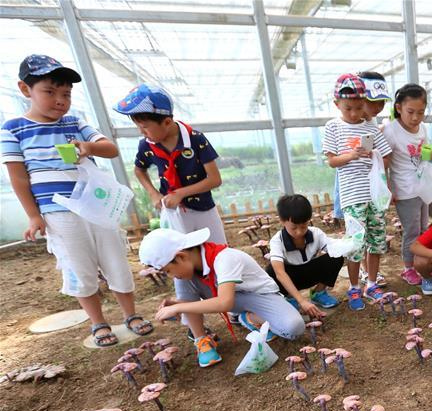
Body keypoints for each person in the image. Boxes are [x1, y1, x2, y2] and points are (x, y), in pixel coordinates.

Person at [1, 55, 153, 347]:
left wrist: (87, 146)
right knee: (78, 265)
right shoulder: (13, 129)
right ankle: (98, 322)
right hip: (58, 212)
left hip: (95, 205)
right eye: (50, 92)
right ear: (25, 89)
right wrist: (34, 215)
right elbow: (19, 178)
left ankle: (130, 314)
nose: (60, 100)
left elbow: (110, 149)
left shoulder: (74, 122)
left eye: (66, 94)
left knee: (115, 259)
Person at [140, 227, 305, 368]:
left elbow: (225, 302)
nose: (171, 276)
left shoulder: (224, 258)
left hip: (258, 296)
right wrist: (179, 303)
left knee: (294, 327)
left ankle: (249, 318)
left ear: (181, 256)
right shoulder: (189, 268)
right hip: (230, 297)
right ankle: (201, 340)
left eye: (168, 271)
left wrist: (179, 307)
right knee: (183, 279)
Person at [113, 84, 226, 245]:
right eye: (138, 127)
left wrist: (180, 193)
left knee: (216, 249)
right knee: (183, 253)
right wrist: (153, 193)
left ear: (166, 122)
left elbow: (215, 179)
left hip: (204, 208)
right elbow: (139, 170)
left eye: (145, 127)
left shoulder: (195, 139)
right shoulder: (147, 145)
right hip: (173, 211)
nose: (141, 132)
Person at [323, 73, 392, 311]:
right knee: (355, 244)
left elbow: (386, 155)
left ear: (365, 102)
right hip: (353, 197)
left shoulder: (370, 126)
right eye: (348, 108)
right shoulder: (333, 127)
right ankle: (354, 288)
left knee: (376, 241)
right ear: (337, 105)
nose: (354, 113)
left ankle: (371, 283)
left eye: (358, 107)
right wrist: (352, 155)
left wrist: (373, 155)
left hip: (373, 195)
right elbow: (332, 161)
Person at [383, 83, 431, 287]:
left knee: (423, 228)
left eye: (421, 112)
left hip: (422, 187)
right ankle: (408, 269)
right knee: (411, 230)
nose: (415, 117)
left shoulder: (423, 128)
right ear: (398, 108)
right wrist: (388, 188)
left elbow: (424, 151)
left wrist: (431, 154)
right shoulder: (390, 131)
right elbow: (383, 162)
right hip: (404, 189)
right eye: (410, 112)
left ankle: (420, 264)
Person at [266, 194, 343, 318]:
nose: (299, 232)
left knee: (336, 256)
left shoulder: (316, 234)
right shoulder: (277, 241)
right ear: (282, 221)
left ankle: (318, 293)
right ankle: (291, 299)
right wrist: (302, 300)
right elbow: (280, 273)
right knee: (272, 271)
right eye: (294, 227)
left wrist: (350, 243)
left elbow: (334, 248)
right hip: (290, 278)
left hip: (309, 273)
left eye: (303, 226)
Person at [357, 70, 392, 287]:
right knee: (358, 231)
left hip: (371, 185)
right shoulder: (345, 125)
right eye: (373, 101)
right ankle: (363, 270)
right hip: (354, 187)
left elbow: (384, 157)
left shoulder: (372, 127)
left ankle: (370, 273)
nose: (378, 107)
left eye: (381, 101)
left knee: (373, 230)